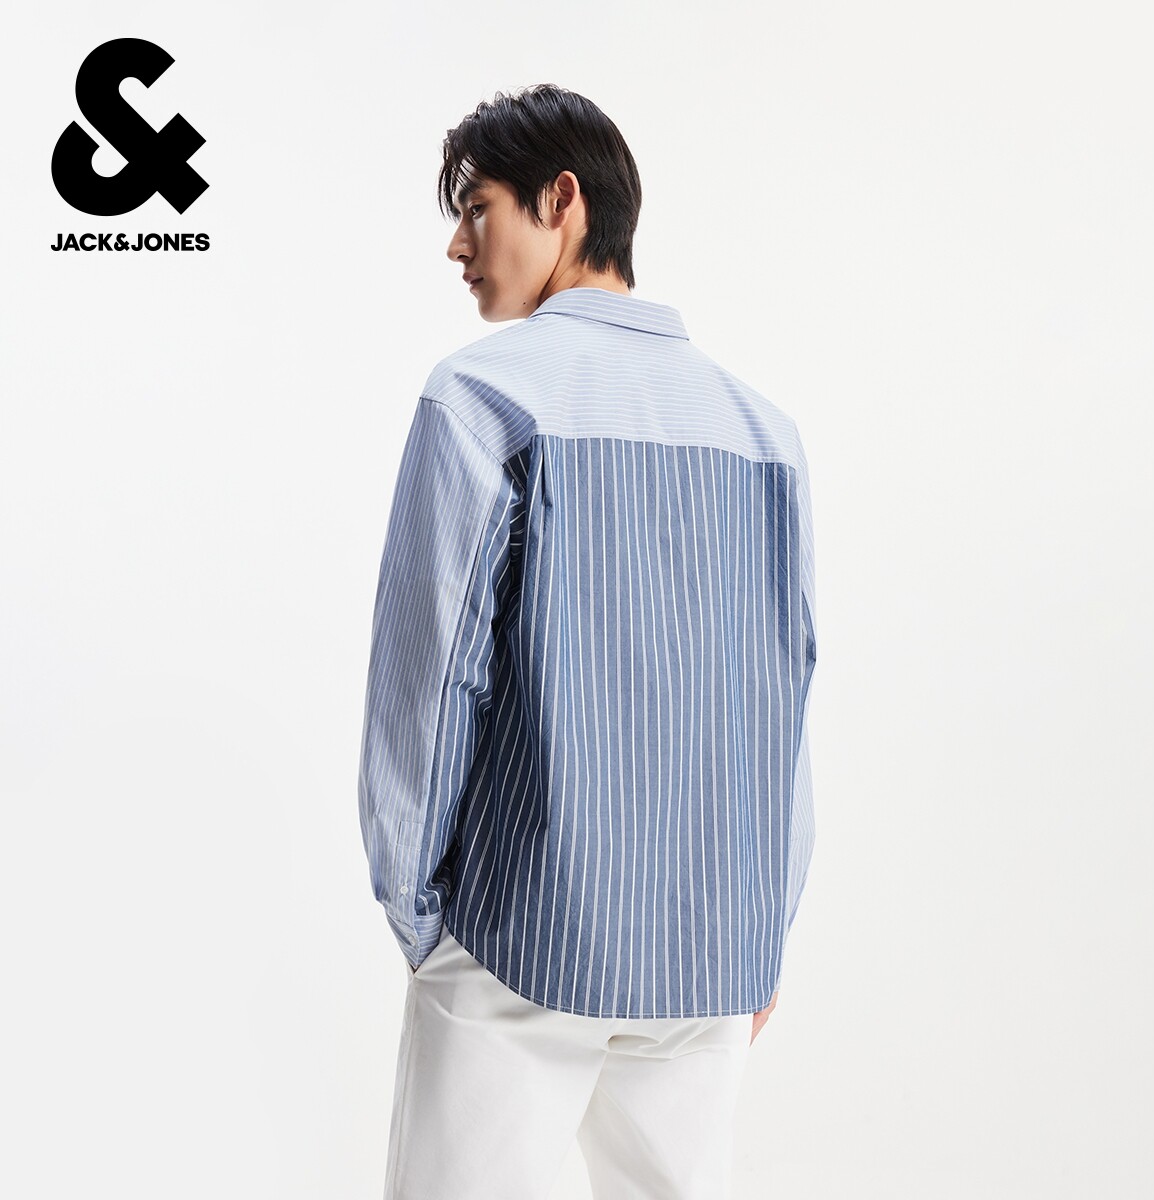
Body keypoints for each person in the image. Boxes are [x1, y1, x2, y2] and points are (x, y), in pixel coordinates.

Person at [357, 83, 817, 1200]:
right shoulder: (763, 430)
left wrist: (419, 913)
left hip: (520, 938)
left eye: (477, 207)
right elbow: (786, 689)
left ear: (562, 201)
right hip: (711, 952)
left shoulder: (483, 398)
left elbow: (431, 678)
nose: (457, 245)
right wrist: (766, 928)